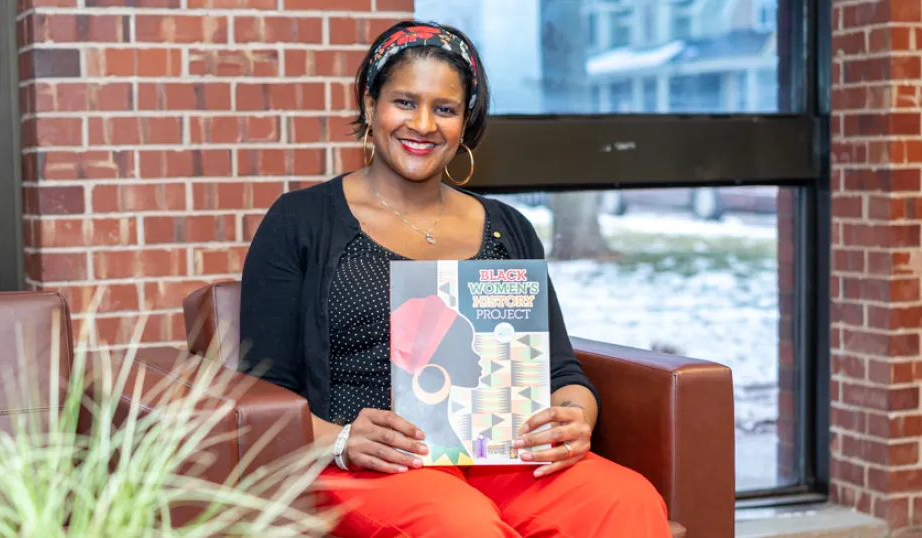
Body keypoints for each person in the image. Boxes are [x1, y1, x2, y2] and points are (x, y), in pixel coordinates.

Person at [239, 20, 672, 538]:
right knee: (458, 524)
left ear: (465, 123)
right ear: (370, 104)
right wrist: (341, 439)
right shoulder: (301, 221)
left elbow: (560, 370)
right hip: (372, 465)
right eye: (404, 102)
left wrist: (574, 417)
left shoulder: (508, 229)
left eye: (444, 109)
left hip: (501, 456)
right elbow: (260, 393)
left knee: (626, 500)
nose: (422, 124)